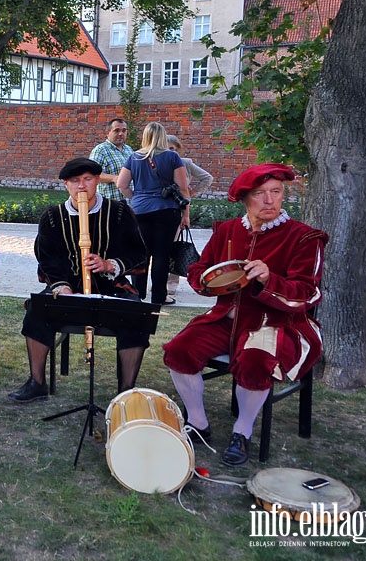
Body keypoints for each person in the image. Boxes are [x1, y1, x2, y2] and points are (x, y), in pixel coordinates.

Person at [163, 163, 328, 466]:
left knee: (255, 361)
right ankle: (198, 423)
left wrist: (268, 279)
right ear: (245, 199)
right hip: (226, 317)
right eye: (260, 194)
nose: (269, 201)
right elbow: (199, 270)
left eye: (276, 192)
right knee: (178, 351)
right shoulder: (228, 231)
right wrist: (210, 280)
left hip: (278, 323)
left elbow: (307, 293)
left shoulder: (304, 237)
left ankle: (243, 430)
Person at [7, 158, 150, 403]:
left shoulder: (119, 212)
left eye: (87, 180)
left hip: (111, 288)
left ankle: (126, 390)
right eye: (75, 181)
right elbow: (47, 259)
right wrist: (62, 288)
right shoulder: (52, 216)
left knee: (136, 316)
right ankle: (37, 382)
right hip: (67, 288)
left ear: (97, 181)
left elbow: (140, 253)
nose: (82, 187)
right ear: (66, 184)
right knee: (36, 311)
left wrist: (109, 264)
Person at [116, 121, 191, 307]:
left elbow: (121, 184)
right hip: (167, 210)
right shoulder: (172, 157)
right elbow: (182, 188)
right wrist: (186, 214)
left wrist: (136, 197)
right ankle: (158, 297)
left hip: (140, 210)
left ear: (145, 136)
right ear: (163, 137)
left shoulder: (134, 158)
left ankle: (138, 293)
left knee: (142, 254)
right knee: (161, 255)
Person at [165, 134, 214, 303]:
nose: (170, 152)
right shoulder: (159, 163)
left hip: (179, 209)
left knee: (175, 246)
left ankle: (172, 282)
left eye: (173, 149)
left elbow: (207, 178)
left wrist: (192, 193)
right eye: (166, 149)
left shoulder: (185, 163)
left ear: (178, 150)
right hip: (161, 208)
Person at [89, 118, 134, 201]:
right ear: (108, 133)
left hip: (130, 204)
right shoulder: (100, 150)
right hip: (111, 204)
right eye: (116, 131)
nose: (121, 134)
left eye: (124, 131)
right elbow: (92, 174)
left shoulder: (129, 150)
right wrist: (114, 178)